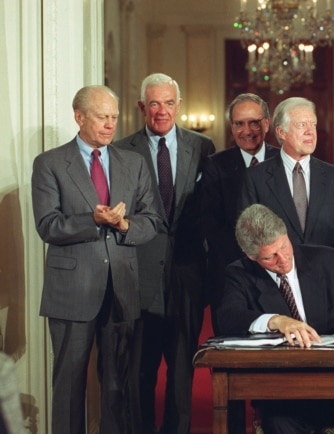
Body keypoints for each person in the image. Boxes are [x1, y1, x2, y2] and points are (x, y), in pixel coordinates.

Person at [31, 85, 161, 434]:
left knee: (118, 386)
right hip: (71, 292)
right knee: (70, 387)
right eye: (102, 117)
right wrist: (93, 220)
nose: (110, 124)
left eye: (114, 117)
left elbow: (151, 221)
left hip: (121, 289)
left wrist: (124, 224)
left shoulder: (132, 163)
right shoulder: (50, 163)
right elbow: (48, 225)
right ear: (79, 117)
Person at [217, 204, 334, 434]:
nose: (283, 260)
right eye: (270, 257)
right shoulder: (240, 274)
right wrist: (275, 320)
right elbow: (228, 317)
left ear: (286, 235)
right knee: (280, 424)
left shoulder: (327, 260)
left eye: (284, 247)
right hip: (284, 391)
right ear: (251, 256)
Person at [114, 73, 214, 434]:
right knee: (139, 371)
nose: (161, 111)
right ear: (142, 107)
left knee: (182, 372)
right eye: (154, 103)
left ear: (179, 106)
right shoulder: (122, 150)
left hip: (186, 276)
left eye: (168, 103)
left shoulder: (203, 147)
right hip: (139, 277)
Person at [240, 97, 334, 268]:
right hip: (275, 281)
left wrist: (332, 276)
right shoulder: (256, 177)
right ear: (281, 132)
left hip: (326, 279)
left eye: (313, 124)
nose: (311, 131)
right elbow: (250, 238)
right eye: (302, 125)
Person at [201, 93, 280, 334]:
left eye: (253, 122)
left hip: (279, 272)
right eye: (239, 123)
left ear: (266, 123)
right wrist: (252, 256)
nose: (247, 130)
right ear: (231, 126)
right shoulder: (215, 165)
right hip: (230, 273)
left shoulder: (283, 160)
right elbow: (211, 225)